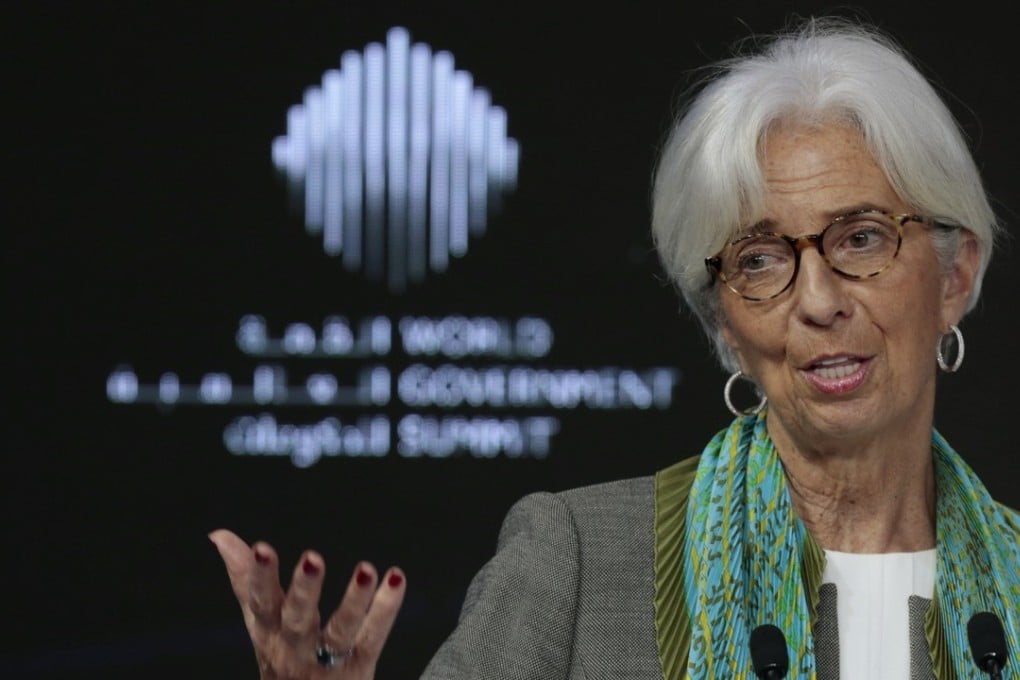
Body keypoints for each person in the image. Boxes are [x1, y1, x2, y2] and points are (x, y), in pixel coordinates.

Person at [210, 15, 1020, 679]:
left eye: (862, 238)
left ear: (954, 274)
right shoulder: (581, 562)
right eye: (760, 260)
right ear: (725, 326)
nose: (817, 301)